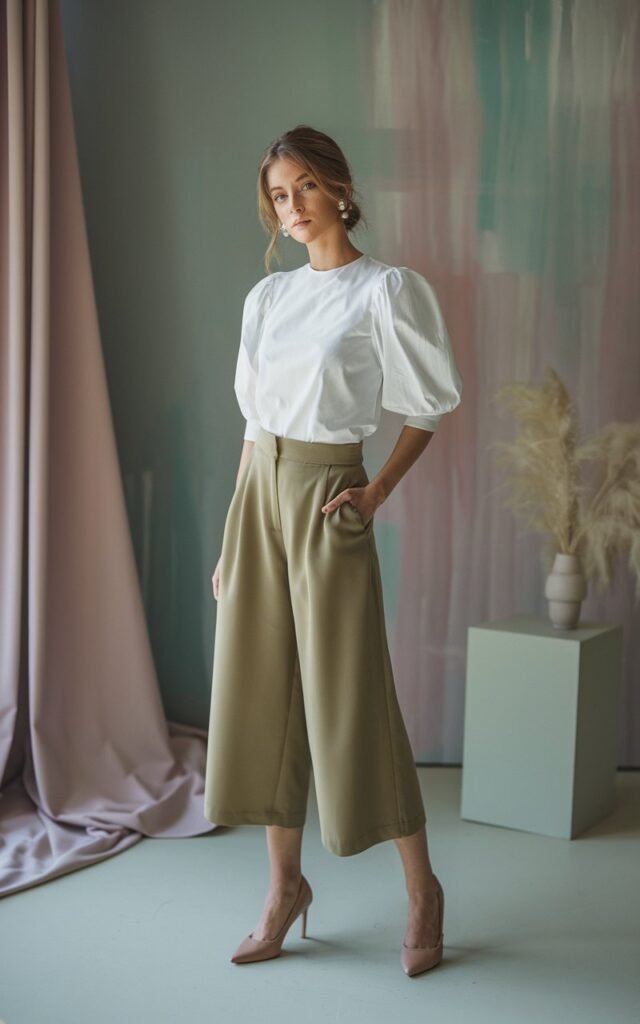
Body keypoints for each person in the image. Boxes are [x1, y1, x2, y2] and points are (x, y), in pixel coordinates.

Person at [204, 124, 462, 977]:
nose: (296, 206)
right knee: (262, 693)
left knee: (353, 698)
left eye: (307, 186)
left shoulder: (384, 290)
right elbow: (254, 424)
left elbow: (426, 406)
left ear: (340, 188)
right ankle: (284, 889)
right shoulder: (267, 298)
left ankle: (422, 891)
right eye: (281, 194)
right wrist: (233, 534)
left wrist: (377, 490)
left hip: (327, 497)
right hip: (260, 497)